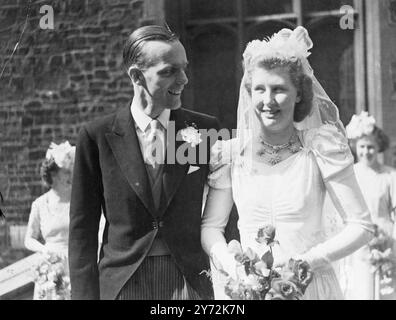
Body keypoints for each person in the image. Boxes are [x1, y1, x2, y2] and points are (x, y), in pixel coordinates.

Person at [201, 26, 374, 300]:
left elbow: (361, 226)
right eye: (260, 89)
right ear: (249, 93)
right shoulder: (230, 155)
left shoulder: (321, 147)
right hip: (250, 291)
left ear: (299, 94)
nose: (268, 101)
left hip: (309, 288)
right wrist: (237, 269)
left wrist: (305, 263)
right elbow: (211, 228)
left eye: (279, 89)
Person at [68, 25, 220, 300]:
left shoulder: (202, 130)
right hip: (122, 282)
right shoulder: (97, 137)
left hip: (188, 281)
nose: (184, 79)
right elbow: (82, 230)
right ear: (137, 76)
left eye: (184, 68)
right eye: (169, 71)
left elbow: (225, 210)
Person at [340, 111, 396, 299]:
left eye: (371, 147)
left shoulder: (389, 176)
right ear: (355, 147)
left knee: (384, 287)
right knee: (360, 287)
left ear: (378, 147)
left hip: (385, 240)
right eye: (362, 146)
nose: (367, 152)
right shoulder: (350, 175)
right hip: (358, 240)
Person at [25, 141, 75, 300]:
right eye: (66, 171)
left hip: (75, 262)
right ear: (53, 175)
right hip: (50, 264)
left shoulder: (79, 201)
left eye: (71, 171)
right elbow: (29, 239)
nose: (71, 175)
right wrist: (43, 249)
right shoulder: (40, 204)